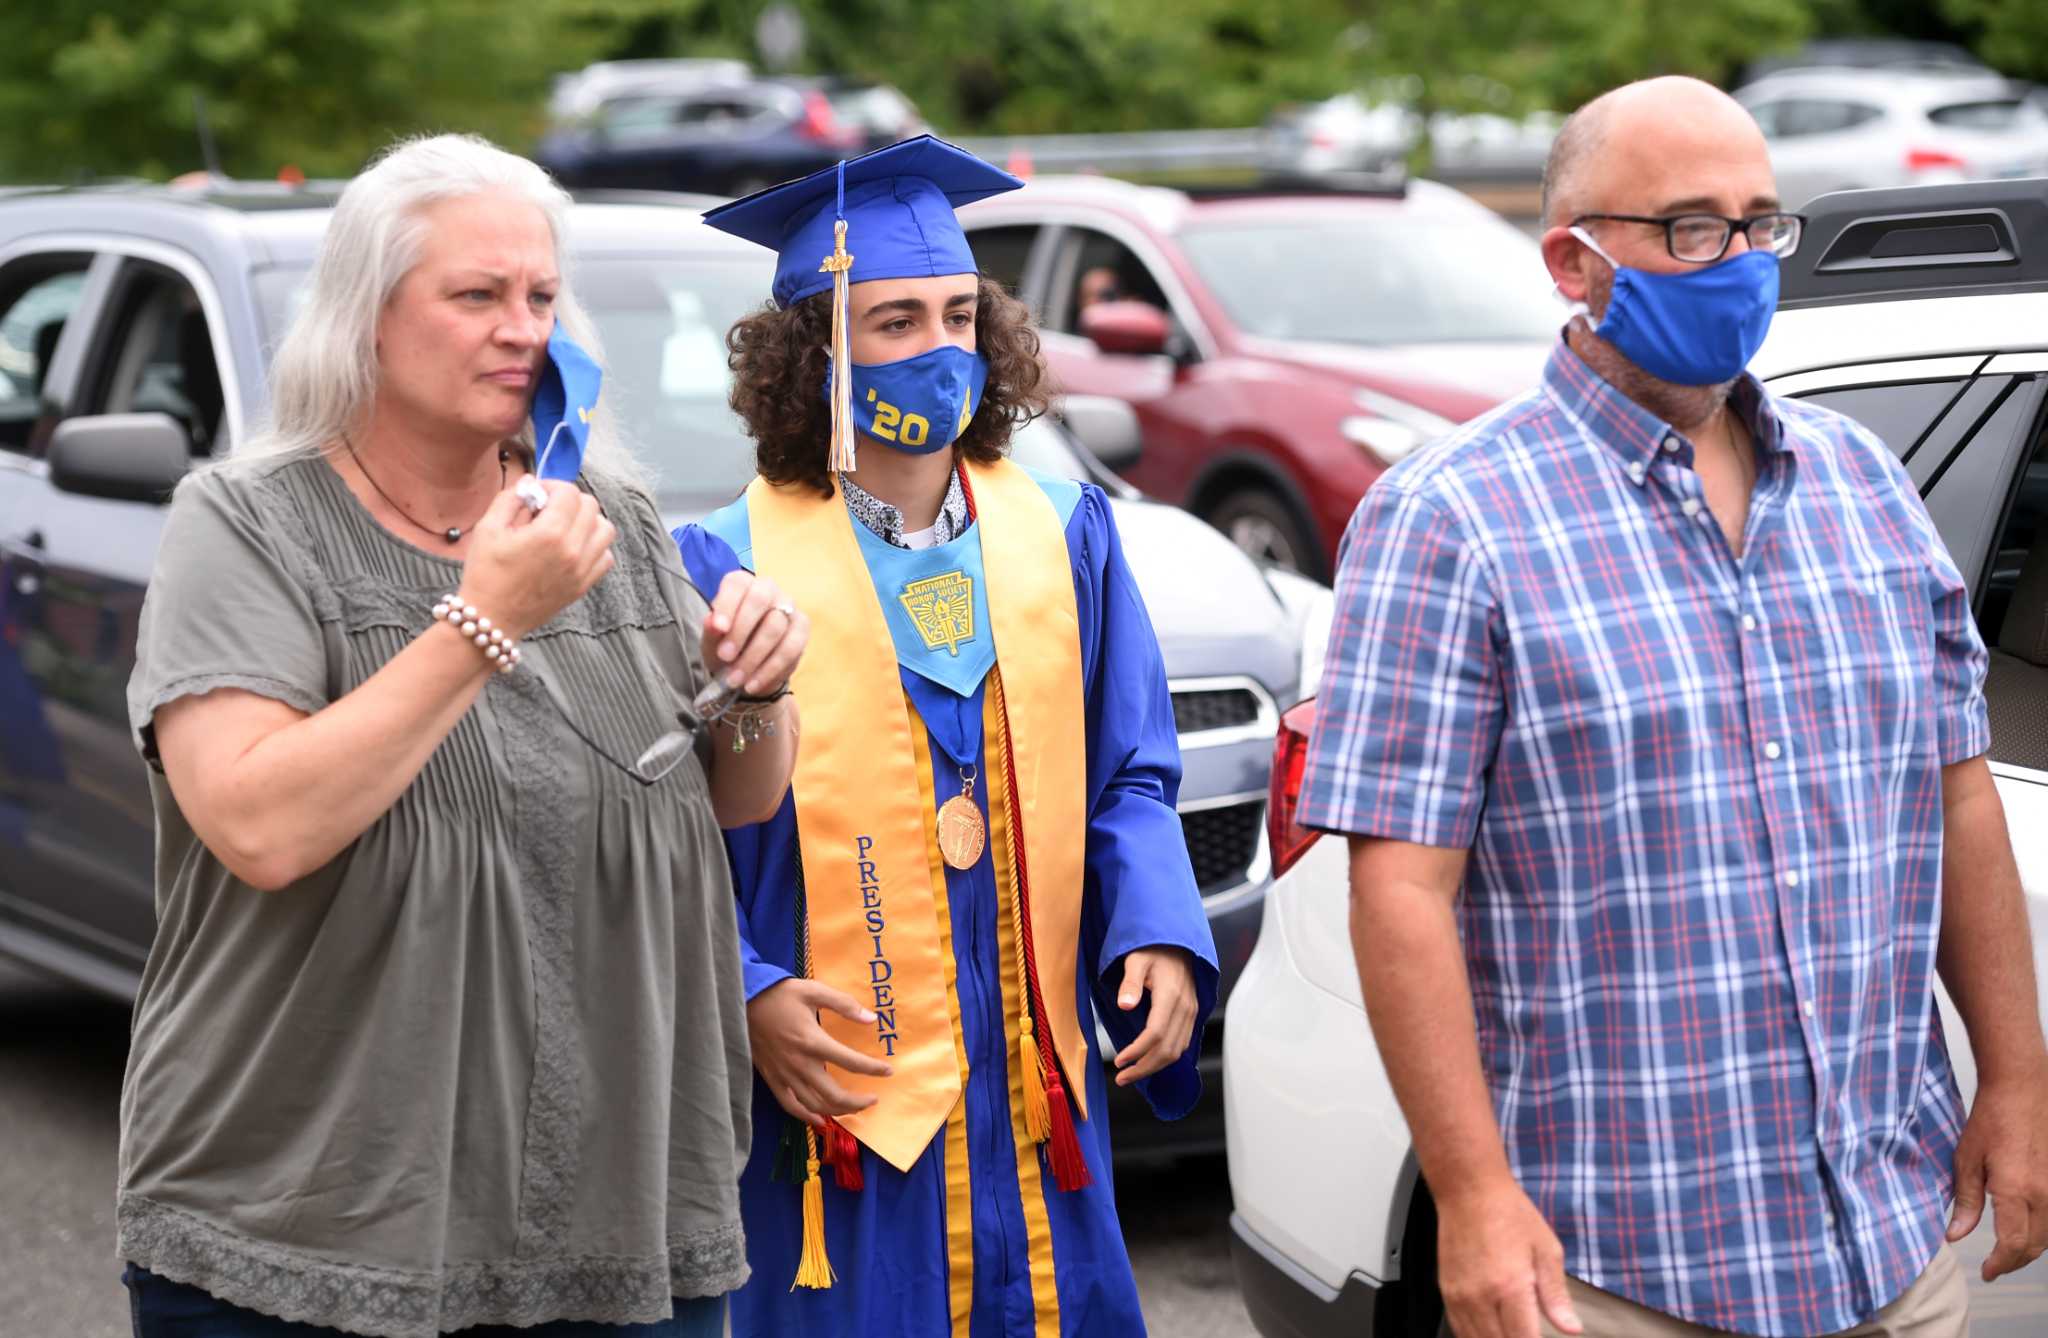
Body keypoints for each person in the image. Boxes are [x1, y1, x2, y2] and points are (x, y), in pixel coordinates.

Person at [1302, 76, 2048, 1338]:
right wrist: (1472, 1196)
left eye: (1760, 223)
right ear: (1571, 261)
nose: (1740, 261)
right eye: (1692, 228)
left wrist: (2017, 1089)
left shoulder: (1858, 483)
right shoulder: (1449, 521)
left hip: (1889, 1243)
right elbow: (1398, 892)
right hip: (1616, 1270)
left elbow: (1955, 795)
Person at [117, 134, 809, 1338]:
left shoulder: (607, 520)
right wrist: (483, 620)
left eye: (541, 296)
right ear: (367, 320)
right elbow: (260, 827)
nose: (522, 327)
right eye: (477, 295)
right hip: (315, 1242)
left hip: (617, 1226)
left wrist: (757, 687)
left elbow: (737, 800)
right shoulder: (245, 526)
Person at [674, 135, 1218, 1336]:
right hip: (840, 1093)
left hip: (1030, 1076)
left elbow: (1129, 771)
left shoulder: (1065, 532)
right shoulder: (724, 564)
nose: (938, 350)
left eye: (960, 315)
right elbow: (660, 844)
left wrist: (1162, 932)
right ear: (816, 355)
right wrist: (744, 991)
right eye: (895, 322)